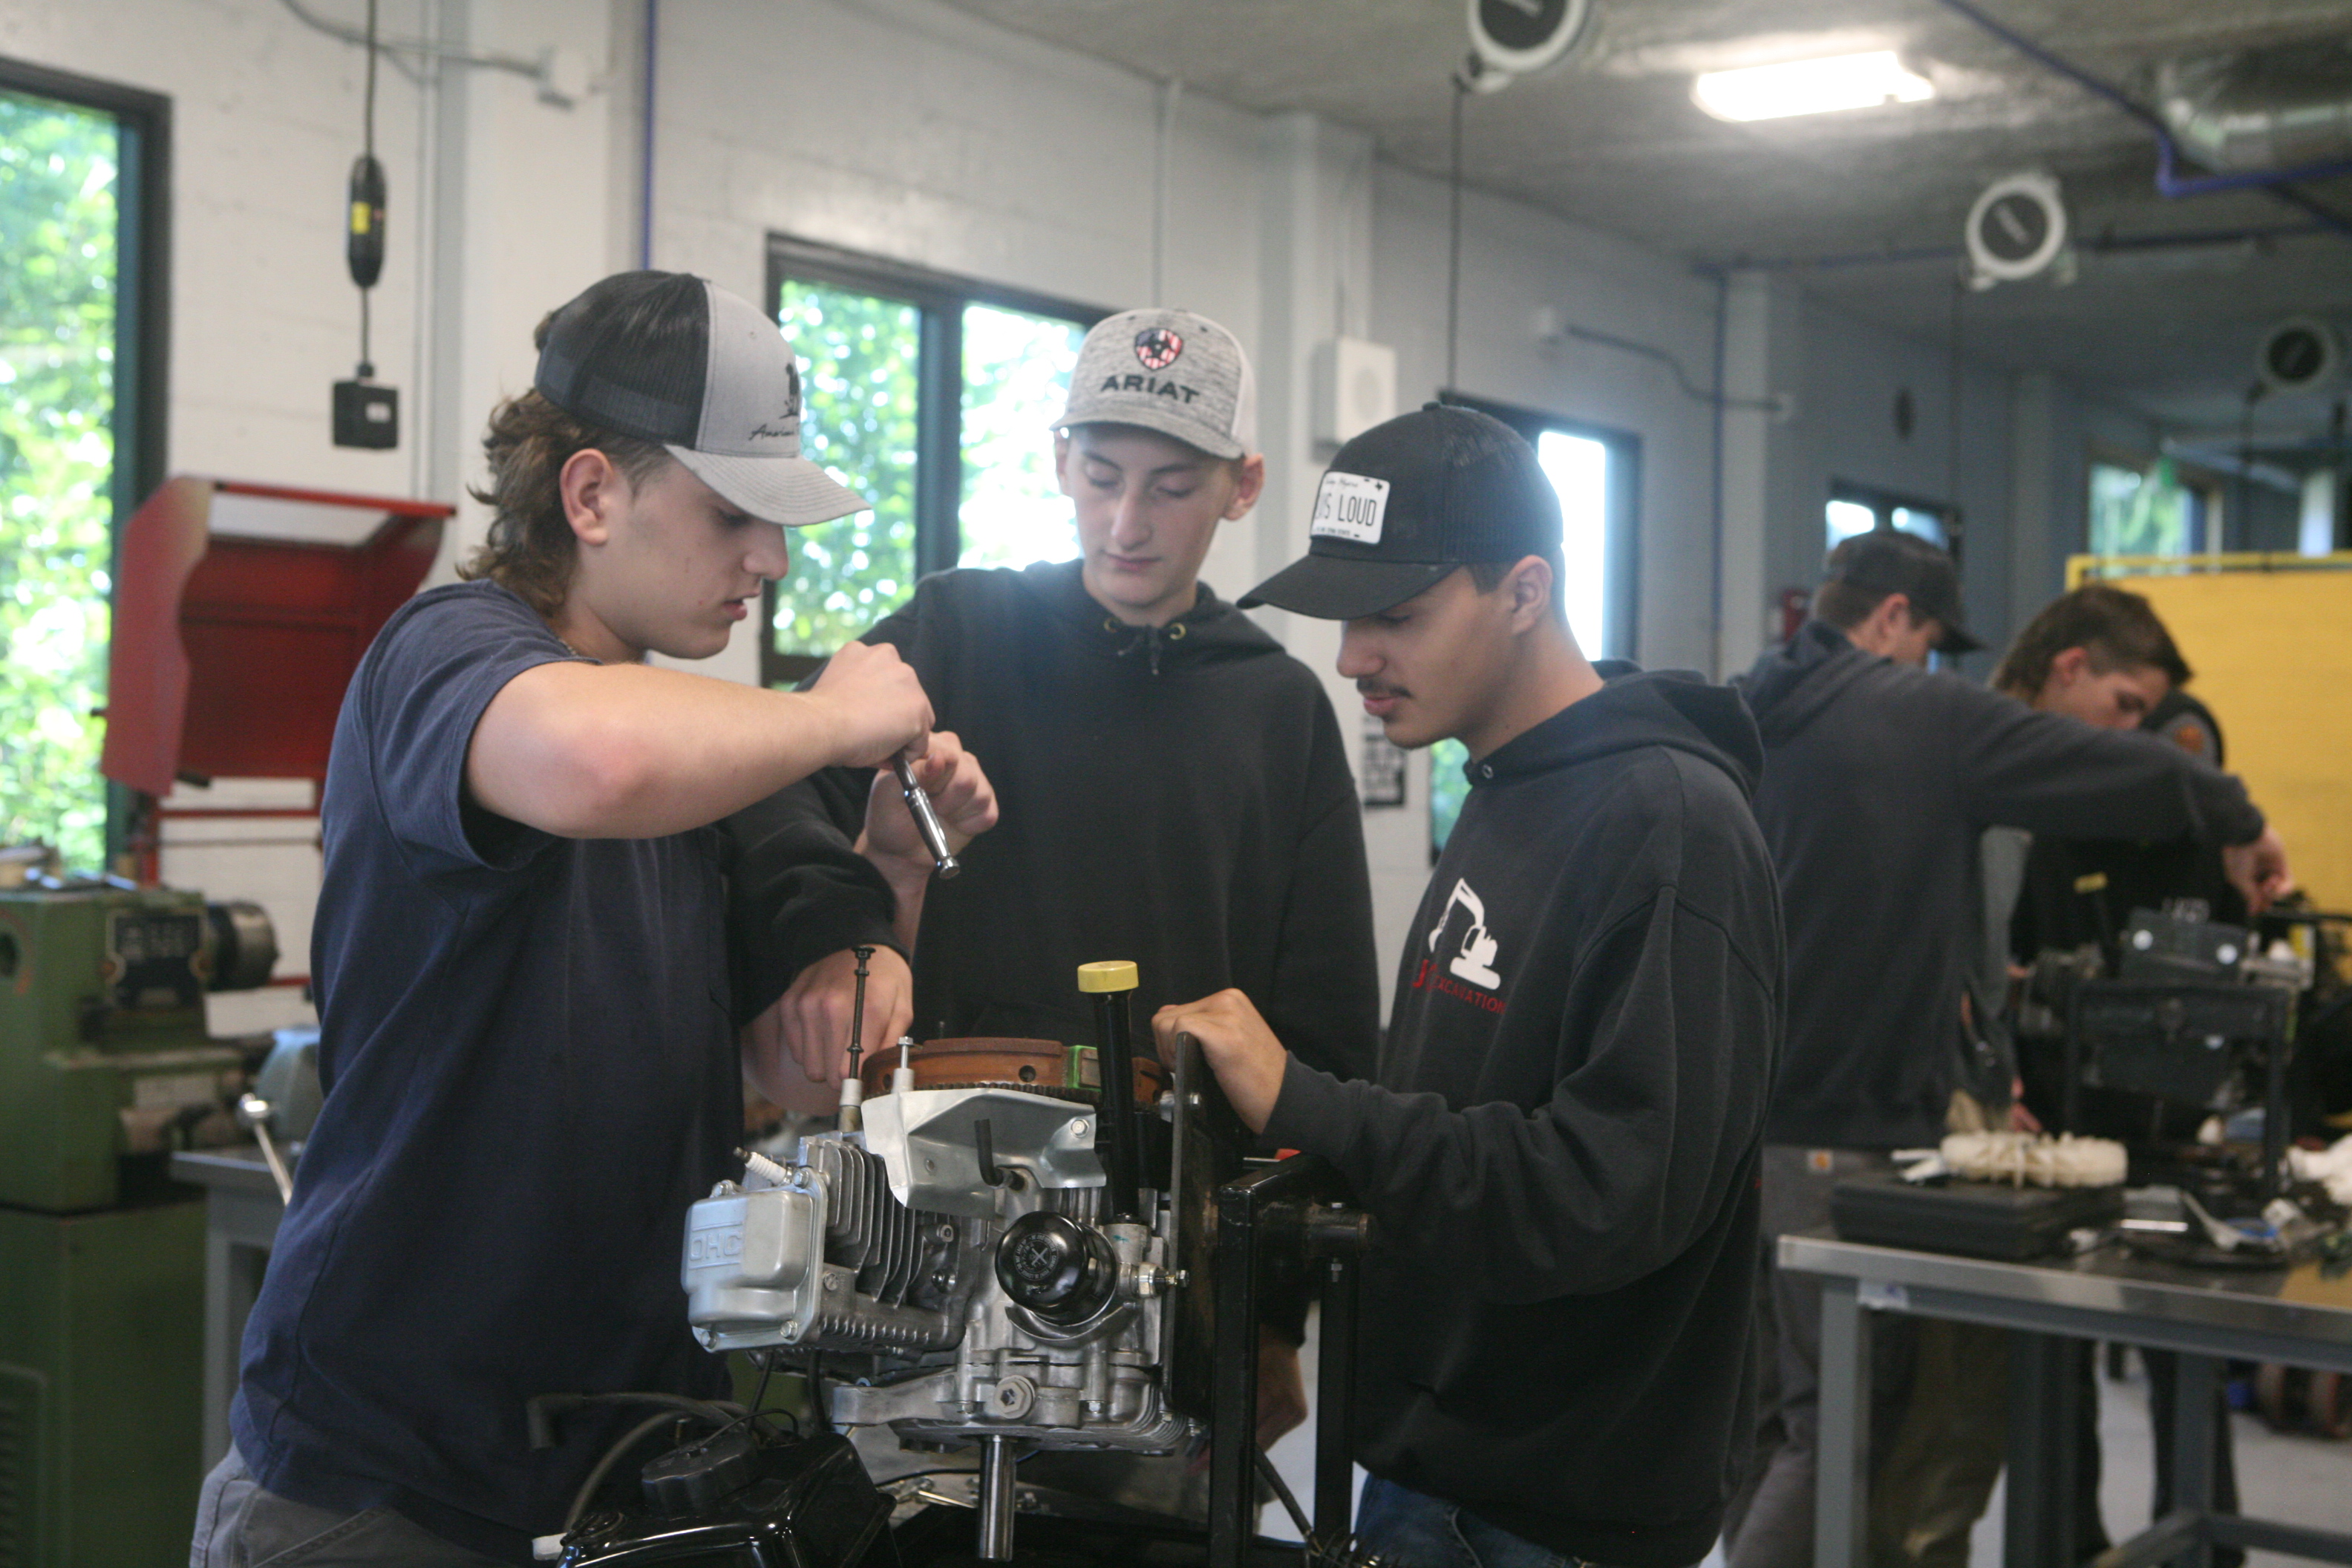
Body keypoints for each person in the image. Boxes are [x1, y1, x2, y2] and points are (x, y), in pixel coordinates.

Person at [194, 271, 996, 1565]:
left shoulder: (679, 754)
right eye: (735, 515)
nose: (771, 562)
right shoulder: (448, 655)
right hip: (387, 1479)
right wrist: (839, 716)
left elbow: (775, 1070)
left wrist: (889, 881)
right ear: (590, 493)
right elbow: (591, 763)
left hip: (609, 1471)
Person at [726, 307, 1382, 1494]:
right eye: (1102, 476)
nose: (1128, 523)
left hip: (1173, 1271)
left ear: (1243, 488)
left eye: (1173, 488)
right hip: (923, 1257)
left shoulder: (1279, 710)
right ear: (1056, 460)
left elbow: (1325, 1024)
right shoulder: (958, 630)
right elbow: (776, 787)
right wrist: (846, 937)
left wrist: (1276, 1316)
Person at [1158, 403, 1783, 1568]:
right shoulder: (1503, 786)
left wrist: (1307, 1099)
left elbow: (1604, 1196)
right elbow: (1456, 1113)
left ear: (1527, 591)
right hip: (1431, 1469)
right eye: (1347, 618)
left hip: (1553, 1510)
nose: (1353, 657)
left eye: (1396, 615)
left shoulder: (1671, 825)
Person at [1725, 534, 2291, 1568]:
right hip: (1843, 1133)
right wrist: (2237, 817)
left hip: (1742, 1129)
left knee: (1766, 1421)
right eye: (1930, 641)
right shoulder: (1916, 714)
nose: (1933, 665)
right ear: (1893, 617)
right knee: (1844, 1426)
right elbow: (2123, 770)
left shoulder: (1752, 702)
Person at [1993, 584, 2247, 1566]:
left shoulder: (2172, 822)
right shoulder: (2020, 801)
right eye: (2128, 710)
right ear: (2071, 671)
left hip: (2168, 1133)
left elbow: (2224, 957)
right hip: (2051, 1138)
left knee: (2186, 1372)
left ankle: (2203, 1552)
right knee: (2048, 1385)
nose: (2140, 738)